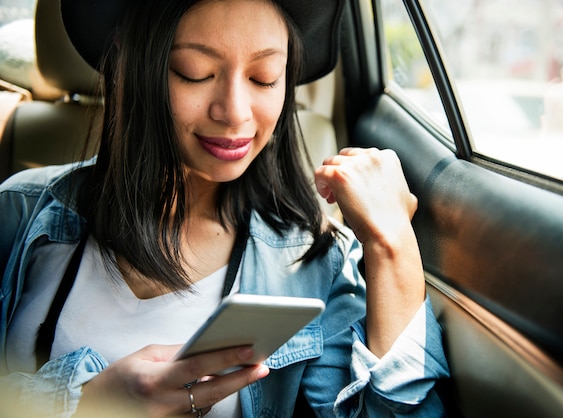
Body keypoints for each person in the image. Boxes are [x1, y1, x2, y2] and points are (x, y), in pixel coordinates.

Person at [0, 0, 450, 416]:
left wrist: (392, 246)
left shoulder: (317, 265)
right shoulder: (18, 214)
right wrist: (85, 403)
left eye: (264, 77)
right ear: (128, 62)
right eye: (194, 72)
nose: (235, 112)